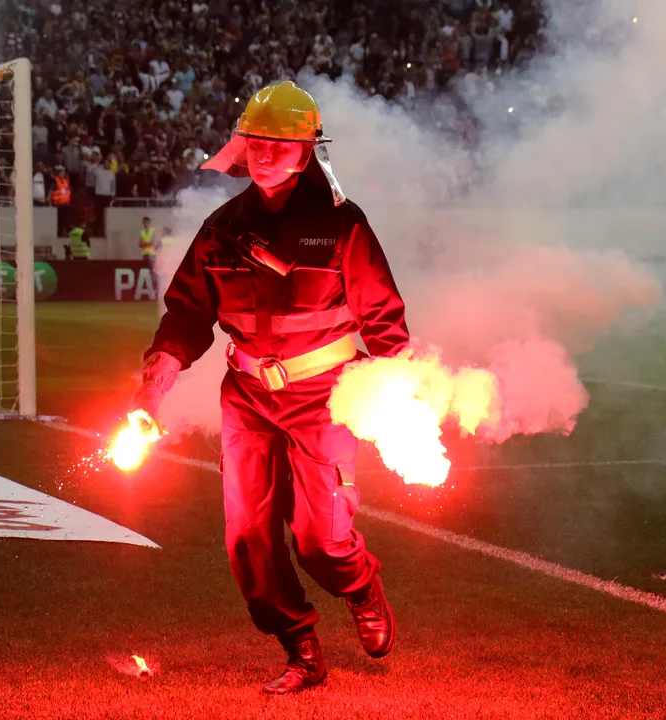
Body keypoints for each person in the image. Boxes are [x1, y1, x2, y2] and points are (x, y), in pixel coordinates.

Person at [131, 81, 407, 695]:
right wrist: (157, 382)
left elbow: (384, 317)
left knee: (322, 541)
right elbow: (184, 315)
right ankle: (301, 651)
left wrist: (400, 390)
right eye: (254, 140)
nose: (263, 152)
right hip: (247, 397)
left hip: (326, 394)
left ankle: (360, 584)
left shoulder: (342, 223)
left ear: (307, 150)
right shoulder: (222, 227)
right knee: (249, 538)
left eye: (277, 142)